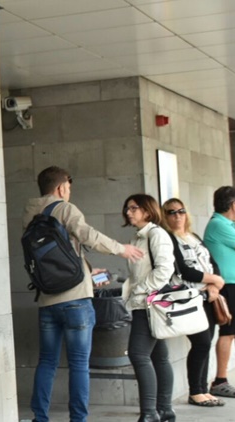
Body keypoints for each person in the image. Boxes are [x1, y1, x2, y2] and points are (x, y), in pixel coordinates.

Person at [22, 166, 144, 422]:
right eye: (68, 187)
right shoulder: (65, 208)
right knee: (78, 363)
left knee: (47, 362)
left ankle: (39, 418)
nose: (69, 192)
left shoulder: (29, 213)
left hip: (46, 300)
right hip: (75, 300)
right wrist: (120, 249)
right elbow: (88, 235)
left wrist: (88, 271)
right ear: (61, 188)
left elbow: (60, 254)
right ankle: (78, 419)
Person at [161, 198, 226, 407]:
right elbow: (183, 270)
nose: (178, 215)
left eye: (181, 211)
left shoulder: (193, 236)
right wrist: (215, 280)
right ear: (165, 216)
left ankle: (203, 389)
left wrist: (215, 286)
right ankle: (195, 391)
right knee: (201, 343)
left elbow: (212, 262)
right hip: (189, 298)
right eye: (172, 212)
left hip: (209, 297)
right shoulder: (168, 239)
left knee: (206, 344)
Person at [121, 194, 175, 422]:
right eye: (127, 208)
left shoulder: (156, 234)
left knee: (138, 354)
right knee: (158, 356)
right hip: (143, 303)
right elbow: (138, 274)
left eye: (134, 208)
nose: (128, 212)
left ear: (147, 210)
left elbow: (164, 271)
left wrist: (140, 291)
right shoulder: (138, 237)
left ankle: (150, 412)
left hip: (149, 304)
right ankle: (164, 409)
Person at [203, 186, 235, 399]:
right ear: (233, 205)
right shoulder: (219, 224)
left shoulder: (231, 225)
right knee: (228, 332)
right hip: (229, 287)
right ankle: (220, 380)